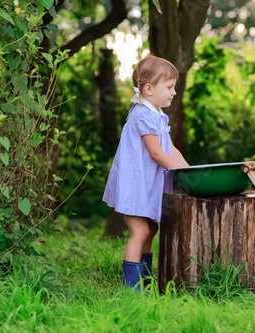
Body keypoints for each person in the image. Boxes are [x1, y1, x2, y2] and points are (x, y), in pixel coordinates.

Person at [103, 55, 189, 293]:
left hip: (148, 184)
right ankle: (132, 288)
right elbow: (156, 153)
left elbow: (170, 149)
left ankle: (146, 280)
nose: (173, 93)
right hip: (135, 185)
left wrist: (190, 171)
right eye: (169, 87)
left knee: (151, 229)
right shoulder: (142, 113)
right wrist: (178, 171)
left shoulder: (158, 113)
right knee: (140, 231)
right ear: (149, 89)